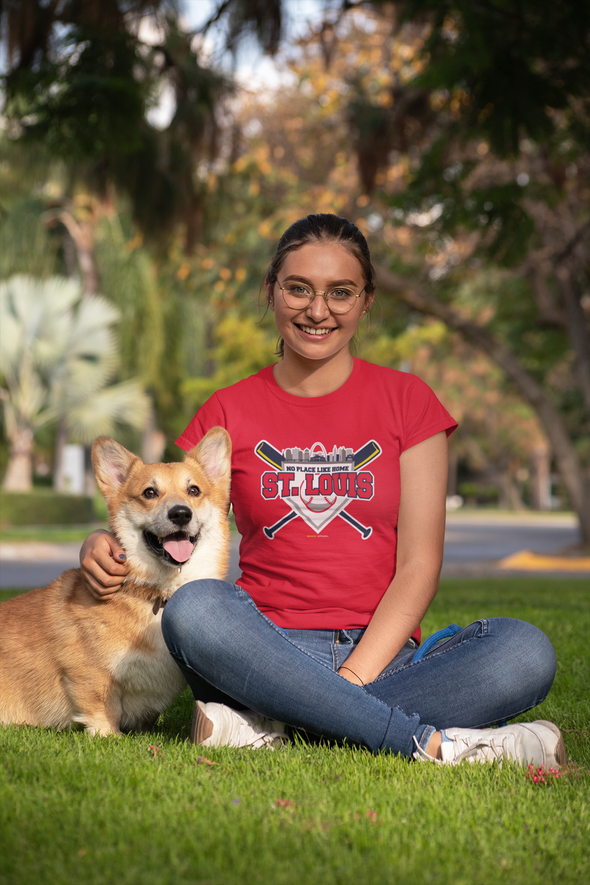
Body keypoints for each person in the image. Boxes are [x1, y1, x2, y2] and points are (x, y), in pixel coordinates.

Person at [80, 214, 564, 767]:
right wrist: (97, 541)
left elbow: (419, 567)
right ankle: (437, 745)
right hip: (257, 647)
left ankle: (278, 724)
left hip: (384, 653)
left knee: (525, 652)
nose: (317, 311)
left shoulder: (410, 402)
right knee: (194, 609)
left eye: (340, 293)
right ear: (271, 292)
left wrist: (351, 680)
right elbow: (162, 501)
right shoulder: (228, 408)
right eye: (298, 289)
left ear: (366, 301)